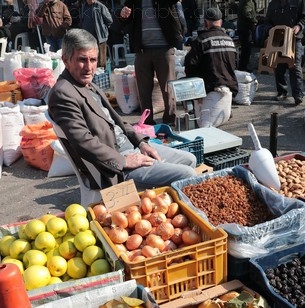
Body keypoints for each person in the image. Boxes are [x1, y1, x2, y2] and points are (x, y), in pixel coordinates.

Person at [48, 29, 197, 191]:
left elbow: (117, 121)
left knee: (189, 159)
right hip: (115, 168)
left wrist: (141, 142)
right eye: (82, 60)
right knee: (187, 174)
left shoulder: (86, 84)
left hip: (129, 149)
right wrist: (123, 161)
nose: (89, 67)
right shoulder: (63, 93)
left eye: (93, 60)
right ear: (65, 60)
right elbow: (83, 142)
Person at [120, 0, 182, 125]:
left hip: (164, 48)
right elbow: (126, 19)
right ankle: (147, 122)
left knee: (168, 88)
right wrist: (123, 14)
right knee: (143, 90)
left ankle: (169, 120)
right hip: (142, 50)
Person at [184, 7, 238, 126]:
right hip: (229, 89)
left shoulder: (201, 40)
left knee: (204, 128)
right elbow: (234, 65)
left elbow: (190, 65)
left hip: (209, 90)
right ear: (221, 22)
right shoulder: (230, 40)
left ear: (206, 23)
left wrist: (194, 90)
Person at [265, 0, 305, 106]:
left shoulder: (298, 2)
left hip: (294, 38)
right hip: (277, 38)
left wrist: (298, 26)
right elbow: (267, 22)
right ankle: (282, 92)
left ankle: (298, 95)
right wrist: (269, 29)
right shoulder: (272, 4)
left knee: (294, 65)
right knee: (278, 65)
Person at [79, 0, 113, 67]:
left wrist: (102, 29)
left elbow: (109, 21)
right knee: (90, 58)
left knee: (101, 61)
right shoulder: (84, 6)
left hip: (100, 38)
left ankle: (102, 75)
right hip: (88, 38)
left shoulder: (100, 6)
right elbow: (82, 20)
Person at [237, 0, 257, 71]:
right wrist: (253, 21)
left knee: (244, 48)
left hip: (242, 27)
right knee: (246, 48)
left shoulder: (243, 1)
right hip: (246, 27)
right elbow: (246, 12)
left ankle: (243, 66)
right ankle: (243, 67)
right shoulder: (248, 1)